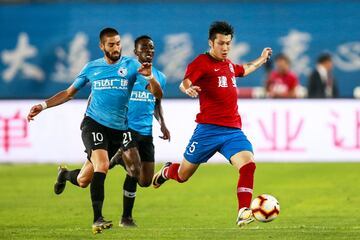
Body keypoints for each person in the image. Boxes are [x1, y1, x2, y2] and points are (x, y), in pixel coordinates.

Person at [27, 28, 163, 234]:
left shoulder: (132, 65)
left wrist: (151, 78)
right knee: (103, 164)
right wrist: (43, 106)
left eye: (118, 43)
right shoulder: (92, 68)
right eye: (111, 44)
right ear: (101, 46)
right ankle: (97, 218)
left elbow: (157, 94)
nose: (116, 48)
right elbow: (68, 93)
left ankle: (65, 174)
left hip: (119, 129)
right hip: (94, 124)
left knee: (83, 180)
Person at [152, 21, 272, 227]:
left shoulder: (228, 65)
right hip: (207, 131)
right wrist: (186, 89)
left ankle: (243, 210)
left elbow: (244, 69)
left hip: (233, 131)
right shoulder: (201, 62)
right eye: (221, 43)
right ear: (211, 42)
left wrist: (261, 60)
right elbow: (186, 82)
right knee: (182, 175)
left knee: (248, 165)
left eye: (228, 43)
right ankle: (167, 171)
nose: (225, 48)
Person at [108, 35, 170, 227]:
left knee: (144, 181)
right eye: (144, 48)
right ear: (135, 52)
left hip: (146, 132)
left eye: (151, 48)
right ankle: (126, 218)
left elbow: (157, 103)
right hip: (127, 128)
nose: (149, 51)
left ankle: (120, 159)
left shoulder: (160, 76)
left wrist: (163, 124)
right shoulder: (127, 73)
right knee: (134, 169)